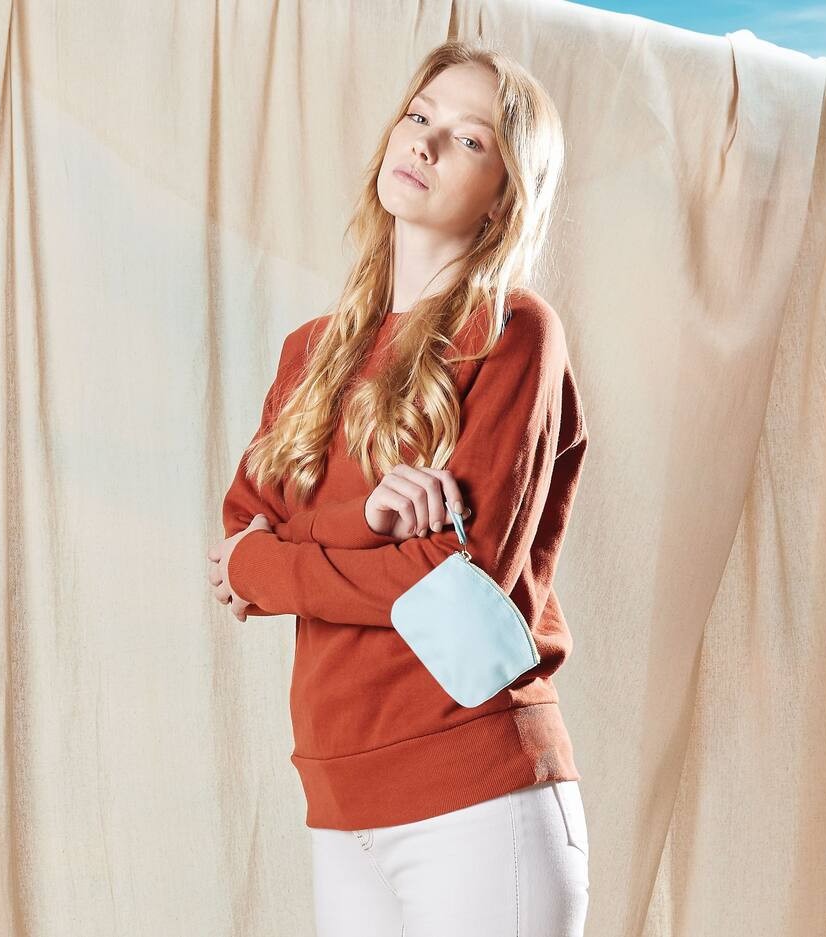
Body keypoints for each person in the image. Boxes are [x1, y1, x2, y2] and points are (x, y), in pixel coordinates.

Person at [207, 38, 590, 937]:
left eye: (469, 139)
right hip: (338, 801)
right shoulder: (309, 354)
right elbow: (232, 561)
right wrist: (369, 521)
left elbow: (457, 587)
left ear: (505, 197)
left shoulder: (513, 333)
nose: (424, 141)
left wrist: (284, 556)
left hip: (479, 791)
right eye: (420, 116)